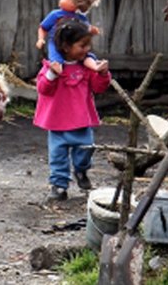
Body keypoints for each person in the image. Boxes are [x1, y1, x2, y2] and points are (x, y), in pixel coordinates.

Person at [34, 18, 111, 201]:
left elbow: (99, 87)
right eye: (82, 45)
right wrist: (52, 74)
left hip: (81, 121)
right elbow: (43, 89)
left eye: (88, 45)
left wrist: (102, 73)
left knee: (85, 150)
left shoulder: (85, 68)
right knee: (58, 157)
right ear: (67, 47)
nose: (87, 50)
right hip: (57, 122)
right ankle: (59, 186)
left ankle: (81, 170)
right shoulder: (51, 67)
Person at [36, 0, 107, 75]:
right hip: (56, 44)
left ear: (76, 4)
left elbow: (84, 32)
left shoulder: (81, 18)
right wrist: (40, 39)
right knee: (56, 58)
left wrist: (91, 30)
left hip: (73, 48)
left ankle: (95, 66)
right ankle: (57, 72)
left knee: (88, 56)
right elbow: (43, 27)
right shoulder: (55, 15)